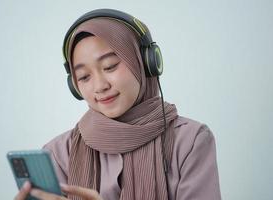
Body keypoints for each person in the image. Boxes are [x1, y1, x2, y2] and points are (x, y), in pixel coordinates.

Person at [15, 9, 221, 200]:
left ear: (145, 62)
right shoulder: (59, 154)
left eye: (110, 66)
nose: (100, 86)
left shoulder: (189, 141)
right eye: (84, 77)